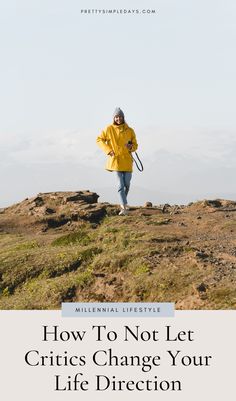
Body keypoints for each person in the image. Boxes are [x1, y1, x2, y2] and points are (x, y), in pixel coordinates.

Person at [96, 107, 138, 215]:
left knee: (127, 185)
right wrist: (108, 150)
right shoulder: (109, 129)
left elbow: (135, 146)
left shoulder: (130, 130)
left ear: (123, 118)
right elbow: (99, 140)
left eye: (120, 116)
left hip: (127, 161)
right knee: (120, 185)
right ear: (114, 118)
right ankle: (124, 206)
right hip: (115, 161)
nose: (118, 118)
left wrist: (131, 147)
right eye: (116, 117)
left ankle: (122, 203)